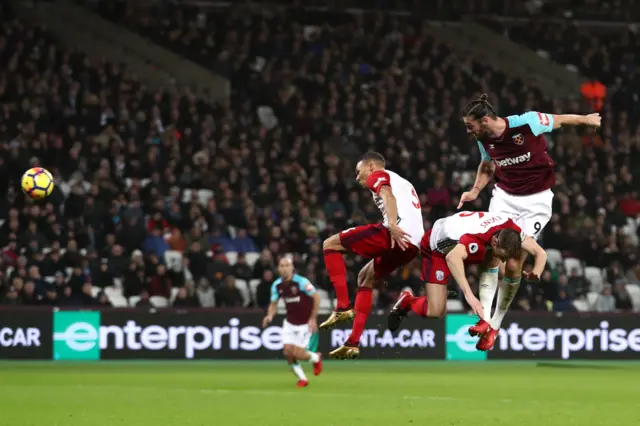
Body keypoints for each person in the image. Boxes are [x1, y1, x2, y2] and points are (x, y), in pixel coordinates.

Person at [458, 93, 601, 350]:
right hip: (504, 198)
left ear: (486, 120)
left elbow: (559, 120)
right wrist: (475, 191)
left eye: (471, 126)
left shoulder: (526, 123)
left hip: (535, 203)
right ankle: (483, 319)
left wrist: (586, 119)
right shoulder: (484, 140)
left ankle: (494, 327)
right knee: (491, 251)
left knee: (514, 263)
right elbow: (488, 165)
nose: (468, 131)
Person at [320, 152, 424, 360]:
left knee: (329, 244)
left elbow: (388, 195)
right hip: (412, 245)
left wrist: (393, 225)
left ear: (370, 167)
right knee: (365, 278)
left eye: (358, 171)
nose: (357, 176)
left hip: (395, 233)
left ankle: (341, 306)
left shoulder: (378, 175)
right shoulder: (402, 181)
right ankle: (353, 343)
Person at [388, 211, 547, 337]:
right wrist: (470, 296)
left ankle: (485, 319)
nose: (502, 260)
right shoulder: (475, 239)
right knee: (436, 311)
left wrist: (537, 272)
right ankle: (407, 301)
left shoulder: (510, 229)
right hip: (437, 248)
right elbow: (452, 257)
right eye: (502, 255)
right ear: (495, 242)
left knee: (497, 263)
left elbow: (540, 252)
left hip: (458, 237)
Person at [262, 257, 322, 388]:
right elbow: (273, 303)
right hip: (289, 323)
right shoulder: (277, 285)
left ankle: (316, 358)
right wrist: (270, 316)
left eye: (286, 266)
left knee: (299, 354)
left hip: (305, 323)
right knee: (288, 352)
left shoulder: (301, 282)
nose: (284, 269)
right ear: (278, 269)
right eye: (281, 266)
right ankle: (303, 379)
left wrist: (313, 318)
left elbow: (316, 297)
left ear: (292, 268)